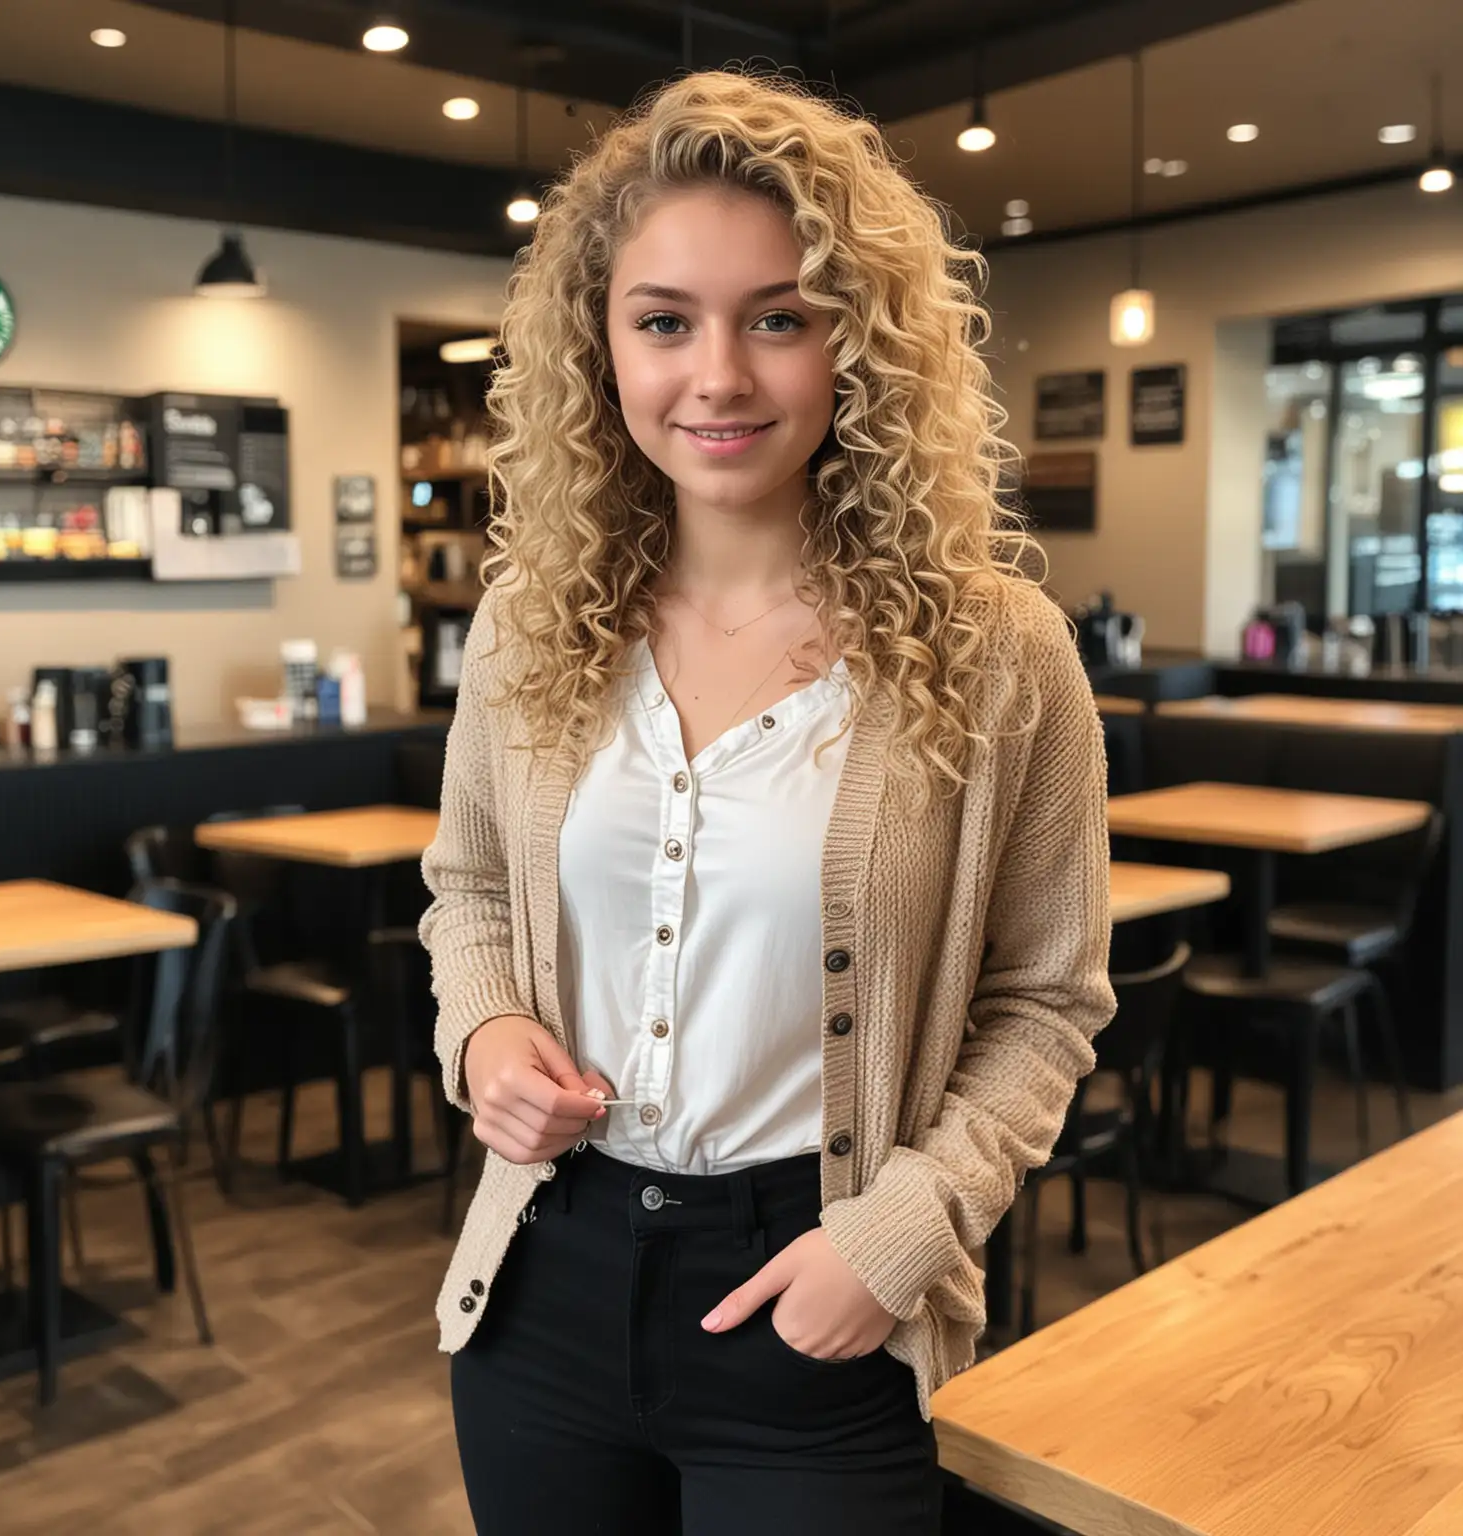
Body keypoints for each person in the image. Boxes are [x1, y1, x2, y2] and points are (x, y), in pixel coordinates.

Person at [419, 68, 1114, 1536]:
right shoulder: (526, 625)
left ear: (858, 343)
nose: (717, 376)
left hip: (822, 1288)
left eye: (779, 317)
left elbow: (1048, 1003)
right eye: (664, 320)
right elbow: (469, 890)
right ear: (598, 345)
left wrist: (904, 1231)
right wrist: (482, 1029)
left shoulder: (999, 653)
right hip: (542, 1284)